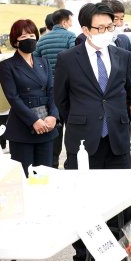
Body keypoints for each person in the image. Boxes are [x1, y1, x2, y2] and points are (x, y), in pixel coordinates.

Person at [54, 2, 131, 261]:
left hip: (117, 139)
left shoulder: (123, 55)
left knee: (119, 203)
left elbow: (126, 94)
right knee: (84, 204)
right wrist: (82, 121)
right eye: (99, 28)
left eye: (109, 27)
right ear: (85, 29)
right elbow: (61, 100)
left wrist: (118, 121)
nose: (105, 32)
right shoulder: (68, 58)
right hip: (82, 141)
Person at [0, 19, 59, 177]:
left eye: (32, 35)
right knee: (25, 177)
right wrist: (33, 120)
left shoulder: (43, 62)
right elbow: (13, 97)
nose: (29, 40)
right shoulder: (7, 65)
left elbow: (52, 91)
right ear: (15, 41)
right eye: (24, 37)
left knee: (45, 176)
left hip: (46, 125)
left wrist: (53, 115)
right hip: (22, 127)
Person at [34, 9, 76, 168]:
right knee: (72, 128)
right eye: (70, 21)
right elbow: (75, 57)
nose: (71, 24)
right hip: (69, 90)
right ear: (64, 22)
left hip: (49, 91)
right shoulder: (70, 37)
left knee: (54, 127)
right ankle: (71, 163)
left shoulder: (42, 41)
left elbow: (35, 62)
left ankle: (52, 163)